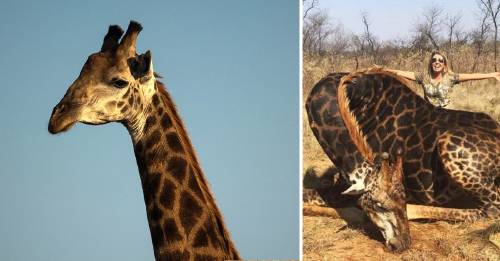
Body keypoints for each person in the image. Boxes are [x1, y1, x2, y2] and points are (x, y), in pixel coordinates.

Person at [385, 50, 500, 107]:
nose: (437, 62)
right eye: (434, 60)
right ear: (431, 63)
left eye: (440, 61)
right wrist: (383, 70)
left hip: (447, 115)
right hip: (429, 115)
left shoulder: (450, 77)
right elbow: (401, 73)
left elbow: (472, 76)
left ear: (444, 64)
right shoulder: (423, 77)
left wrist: (492, 75)